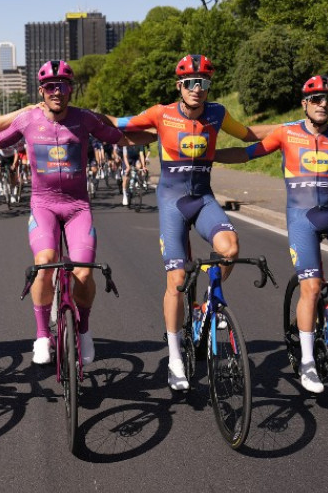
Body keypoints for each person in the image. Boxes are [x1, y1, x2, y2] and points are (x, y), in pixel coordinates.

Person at [110, 54, 273, 390]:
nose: (198, 89)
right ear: (179, 86)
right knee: (176, 279)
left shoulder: (217, 114)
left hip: (203, 199)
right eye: (191, 82)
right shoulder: (161, 114)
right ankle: (174, 360)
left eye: (204, 82)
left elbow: (248, 135)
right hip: (172, 203)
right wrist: (81, 119)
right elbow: (118, 124)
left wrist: (291, 128)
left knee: (229, 249)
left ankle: (203, 308)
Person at [214, 75, 328, 393]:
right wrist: (209, 155)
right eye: (317, 99)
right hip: (302, 218)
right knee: (312, 287)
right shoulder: (287, 133)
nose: (324, 105)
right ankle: (307, 363)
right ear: (305, 103)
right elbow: (247, 153)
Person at [0, 60, 123, 366]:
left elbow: (120, 135)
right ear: (42, 91)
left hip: (77, 207)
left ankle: (85, 330)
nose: (57, 92)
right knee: (44, 263)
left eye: (62, 85)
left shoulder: (84, 119)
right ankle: (40, 335)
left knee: (84, 272)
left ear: (70, 89)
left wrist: (159, 130)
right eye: (50, 87)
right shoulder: (28, 120)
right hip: (43, 204)